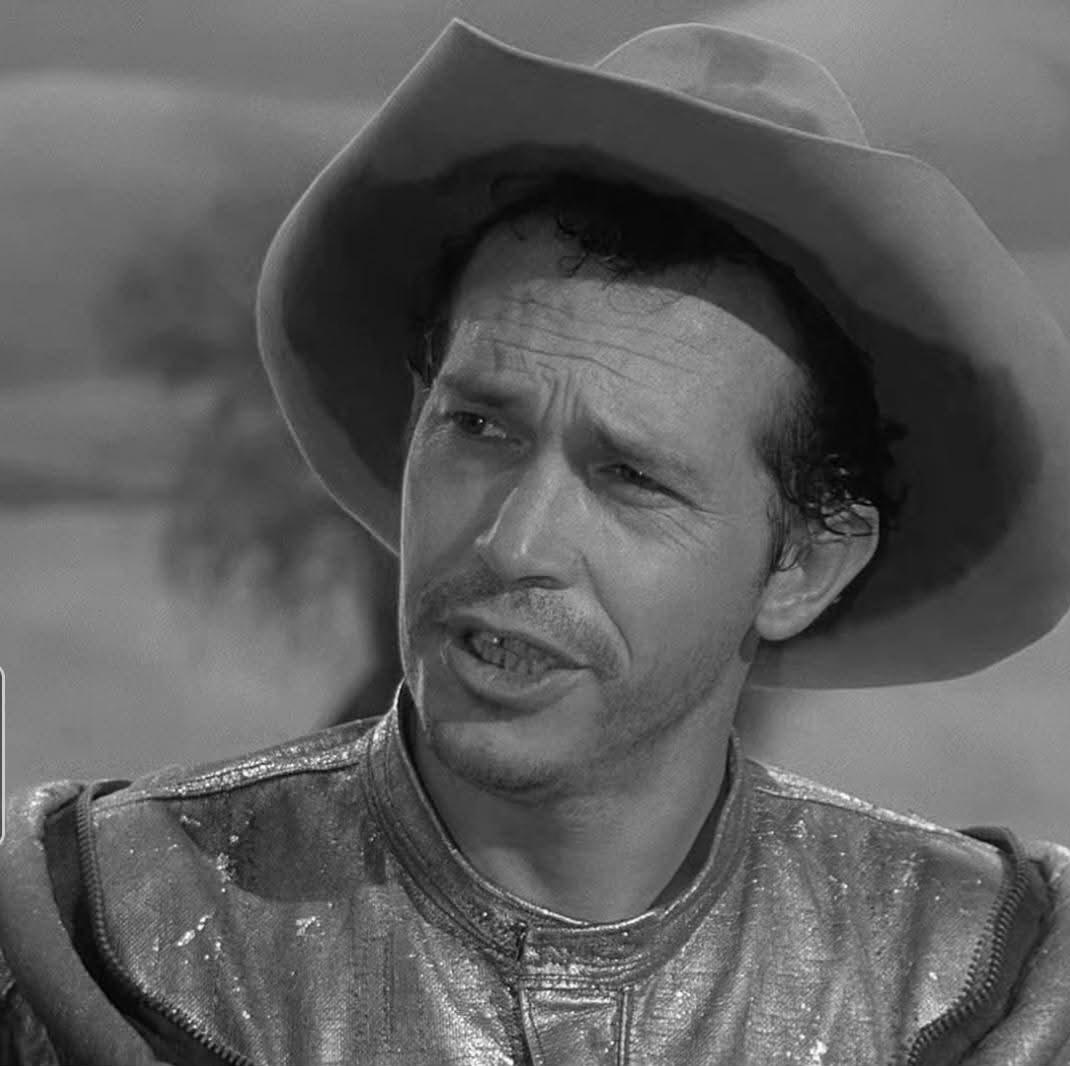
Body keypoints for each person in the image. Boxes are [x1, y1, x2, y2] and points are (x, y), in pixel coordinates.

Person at [2, 19, 1069, 1066]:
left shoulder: (970, 991)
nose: (513, 541)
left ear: (801, 565)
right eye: (479, 427)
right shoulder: (92, 942)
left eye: (629, 477)